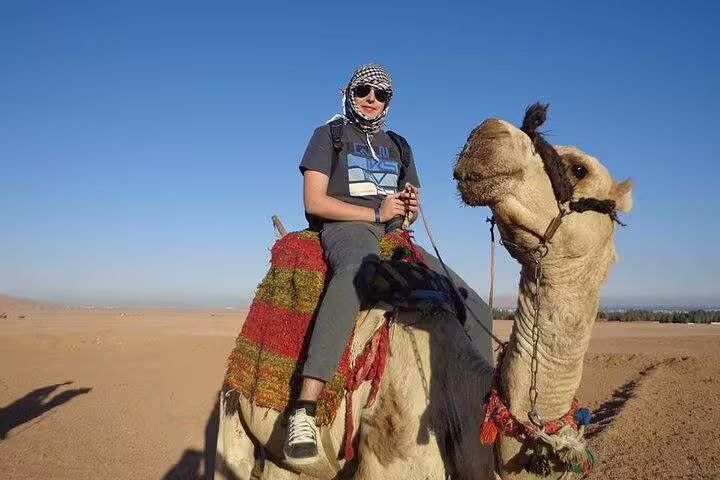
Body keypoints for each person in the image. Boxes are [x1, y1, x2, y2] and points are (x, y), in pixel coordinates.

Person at [285, 64, 492, 465]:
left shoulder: (399, 145)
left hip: (395, 236)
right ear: (349, 91)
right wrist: (376, 215)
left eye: (382, 95)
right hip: (349, 228)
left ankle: (476, 405)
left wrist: (410, 209)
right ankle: (305, 408)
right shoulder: (329, 136)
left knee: (473, 302)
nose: (372, 100)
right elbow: (313, 202)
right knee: (352, 277)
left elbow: (410, 206)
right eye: (365, 90)